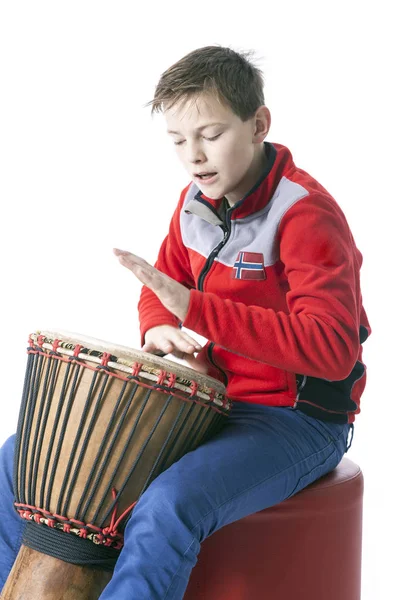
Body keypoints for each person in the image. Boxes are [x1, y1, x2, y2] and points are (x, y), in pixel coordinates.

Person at [0, 45, 371, 599]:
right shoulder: (195, 203)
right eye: (178, 141)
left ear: (258, 124)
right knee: (16, 461)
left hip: (298, 420)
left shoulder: (305, 214)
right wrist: (157, 326)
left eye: (211, 134)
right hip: (213, 405)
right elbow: (163, 287)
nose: (194, 156)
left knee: (168, 506)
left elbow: (332, 348)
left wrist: (197, 311)